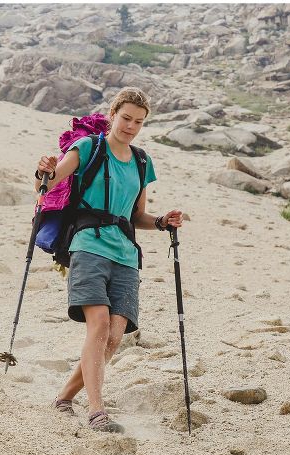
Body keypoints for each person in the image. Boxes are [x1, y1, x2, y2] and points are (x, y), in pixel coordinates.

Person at [35, 87, 183, 432]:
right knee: (98, 325)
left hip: (126, 254)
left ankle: (63, 398)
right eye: (126, 118)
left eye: (139, 122)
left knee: (116, 337)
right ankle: (97, 411)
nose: (131, 126)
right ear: (112, 113)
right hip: (88, 245)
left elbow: (137, 216)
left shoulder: (142, 162)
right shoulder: (88, 147)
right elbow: (51, 180)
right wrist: (43, 170)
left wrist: (162, 222)